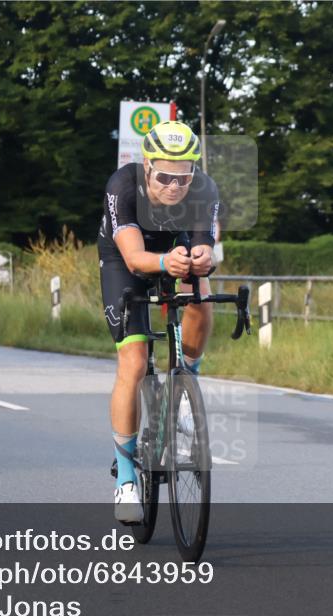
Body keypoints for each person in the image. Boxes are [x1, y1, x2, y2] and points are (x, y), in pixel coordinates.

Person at [97, 120, 219, 523]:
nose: (174, 186)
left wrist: (203, 259)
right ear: (147, 166)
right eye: (164, 176)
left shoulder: (203, 188)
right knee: (134, 361)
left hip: (173, 245)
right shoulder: (123, 185)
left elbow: (206, 245)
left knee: (201, 290)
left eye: (183, 178)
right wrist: (166, 263)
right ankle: (127, 475)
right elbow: (134, 258)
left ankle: (188, 380)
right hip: (124, 258)